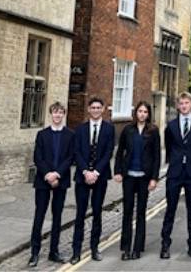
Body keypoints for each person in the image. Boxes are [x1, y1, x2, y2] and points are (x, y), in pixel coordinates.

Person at [160, 91, 191, 260]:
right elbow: (169, 146)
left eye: (187, 103)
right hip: (175, 172)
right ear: (178, 106)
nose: (184, 106)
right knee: (170, 209)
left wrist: (190, 158)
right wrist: (177, 160)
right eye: (181, 103)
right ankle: (165, 244)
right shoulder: (171, 126)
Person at [28, 101, 75, 267]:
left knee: (57, 217)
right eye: (55, 112)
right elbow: (37, 157)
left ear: (64, 114)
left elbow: (70, 157)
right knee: (39, 216)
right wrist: (48, 174)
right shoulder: (42, 134)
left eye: (60, 112)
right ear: (50, 114)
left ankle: (54, 252)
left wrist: (57, 175)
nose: (57, 115)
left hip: (61, 181)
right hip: (43, 180)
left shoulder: (70, 135)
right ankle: (34, 253)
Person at [113, 101, 161, 260]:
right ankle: (126, 248)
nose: (142, 114)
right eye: (140, 111)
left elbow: (157, 156)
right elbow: (120, 151)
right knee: (127, 211)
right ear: (136, 113)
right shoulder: (128, 130)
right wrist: (117, 171)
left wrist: (154, 178)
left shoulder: (153, 131)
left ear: (148, 114)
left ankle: (137, 248)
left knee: (141, 212)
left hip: (144, 177)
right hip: (129, 176)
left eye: (145, 112)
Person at [71, 97, 115, 264]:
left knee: (97, 214)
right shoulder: (80, 129)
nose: (95, 110)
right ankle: (76, 251)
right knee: (80, 215)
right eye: (93, 108)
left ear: (103, 109)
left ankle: (95, 248)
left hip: (100, 176)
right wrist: (85, 172)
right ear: (89, 109)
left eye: (98, 107)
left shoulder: (109, 129)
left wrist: (96, 172)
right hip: (82, 177)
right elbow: (76, 152)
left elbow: (108, 152)